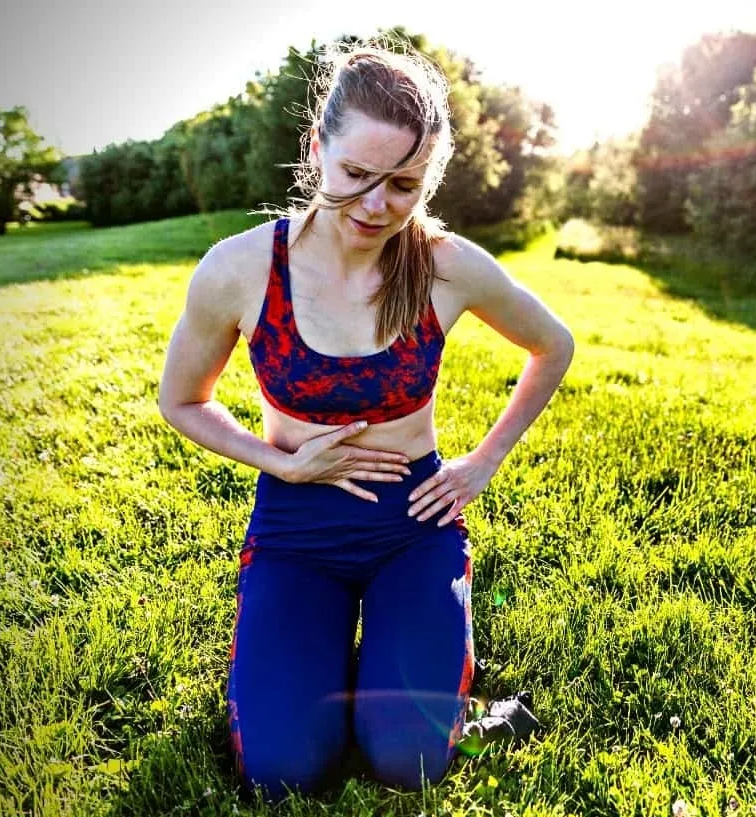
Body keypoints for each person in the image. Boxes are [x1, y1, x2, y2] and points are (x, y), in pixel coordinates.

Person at [156, 41, 574, 798]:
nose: (377, 205)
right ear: (318, 149)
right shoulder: (241, 268)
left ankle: (422, 684)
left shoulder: (448, 265)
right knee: (284, 770)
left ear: (430, 179)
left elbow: (554, 344)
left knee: (407, 761)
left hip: (412, 525)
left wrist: (480, 464)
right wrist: (278, 460)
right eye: (355, 175)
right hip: (296, 528)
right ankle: (320, 678)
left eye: (404, 184)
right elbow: (180, 400)